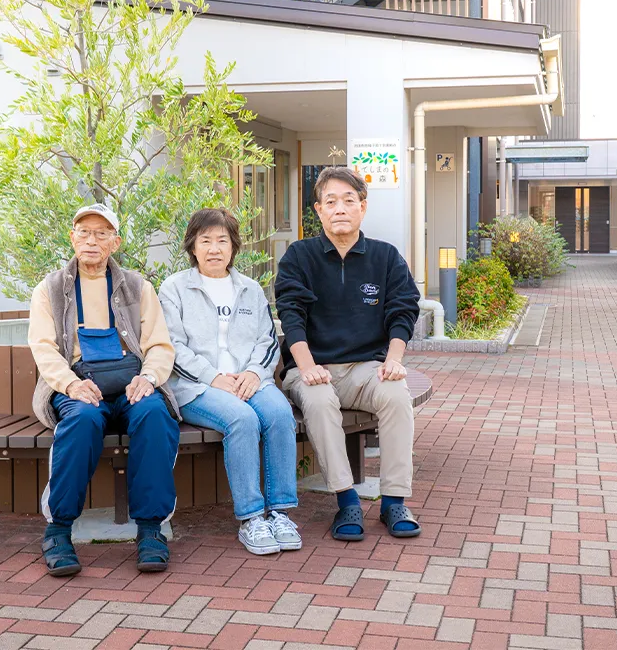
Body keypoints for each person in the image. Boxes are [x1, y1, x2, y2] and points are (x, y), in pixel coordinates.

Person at [29, 203, 180, 577]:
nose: (91, 241)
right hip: (77, 383)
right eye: (84, 232)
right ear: (72, 238)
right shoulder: (50, 289)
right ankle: (59, 530)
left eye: (101, 234)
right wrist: (71, 384)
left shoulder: (137, 286)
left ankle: (150, 530)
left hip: (131, 380)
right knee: (80, 420)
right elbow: (44, 349)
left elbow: (160, 345)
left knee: (155, 414)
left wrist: (149, 378)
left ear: (116, 242)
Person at [275, 167, 422, 541]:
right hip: (311, 367)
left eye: (348, 201)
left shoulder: (385, 256)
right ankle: (346, 500)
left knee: (395, 395)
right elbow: (291, 313)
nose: (340, 208)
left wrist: (394, 360)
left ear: (363, 207)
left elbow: (403, 309)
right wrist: (307, 367)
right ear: (319, 210)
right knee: (320, 400)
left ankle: (393, 500)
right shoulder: (299, 256)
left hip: (364, 369)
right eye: (331, 202)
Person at [159, 208, 301, 555]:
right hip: (197, 388)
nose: (214, 248)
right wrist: (213, 378)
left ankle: (280, 512)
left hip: (249, 381)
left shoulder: (249, 289)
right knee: (242, 419)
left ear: (233, 247)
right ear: (192, 246)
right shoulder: (175, 288)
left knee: (280, 415)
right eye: (205, 240)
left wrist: (254, 373)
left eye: (222, 240)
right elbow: (172, 346)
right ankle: (252, 517)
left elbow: (267, 340)